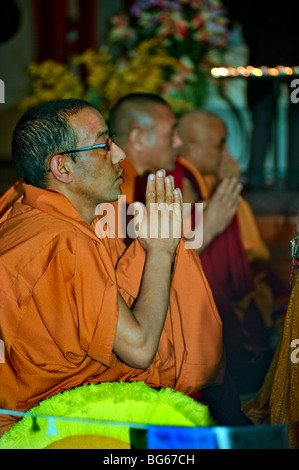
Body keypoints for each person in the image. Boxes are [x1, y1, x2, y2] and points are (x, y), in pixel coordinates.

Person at [0, 99, 224, 436]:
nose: (119, 154)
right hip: (43, 420)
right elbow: (140, 349)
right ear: (62, 168)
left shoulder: (19, 207)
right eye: (104, 144)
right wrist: (160, 251)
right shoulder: (66, 240)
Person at [108, 92, 254, 425]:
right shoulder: (117, 189)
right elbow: (131, 275)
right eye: (170, 132)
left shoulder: (144, 183)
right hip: (138, 338)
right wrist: (208, 228)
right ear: (138, 138)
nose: (178, 142)